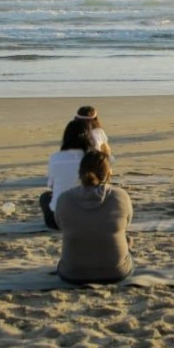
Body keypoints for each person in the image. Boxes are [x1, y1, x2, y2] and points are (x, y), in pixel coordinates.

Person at [56, 150, 134, 284]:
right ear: (109, 173)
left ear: (80, 173)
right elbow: (126, 223)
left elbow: (60, 226)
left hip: (72, 274)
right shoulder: (120, 196)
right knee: (126, 239)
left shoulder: (64, 198)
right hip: (115, 272)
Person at [38, 119, 93, 229]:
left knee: (45, 197)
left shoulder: (55, 157)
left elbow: (52, 185)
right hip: (88, 218)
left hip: (57, 221)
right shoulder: (92, 158)